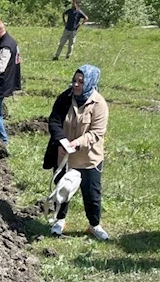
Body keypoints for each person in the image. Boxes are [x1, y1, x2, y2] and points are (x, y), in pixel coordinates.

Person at [42, 65, 110, 240]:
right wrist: (61, 141)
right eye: (75, 80)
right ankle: (59, 220)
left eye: (81, 81)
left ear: (90, 83)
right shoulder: (65, 97)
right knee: (62, 189)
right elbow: (54, 121)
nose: (76, 84)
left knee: (92, 195)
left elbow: (96, 132)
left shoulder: (99, 104)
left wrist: (76, 144)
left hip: (89, 159)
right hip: (65, 156)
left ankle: (94, 225)